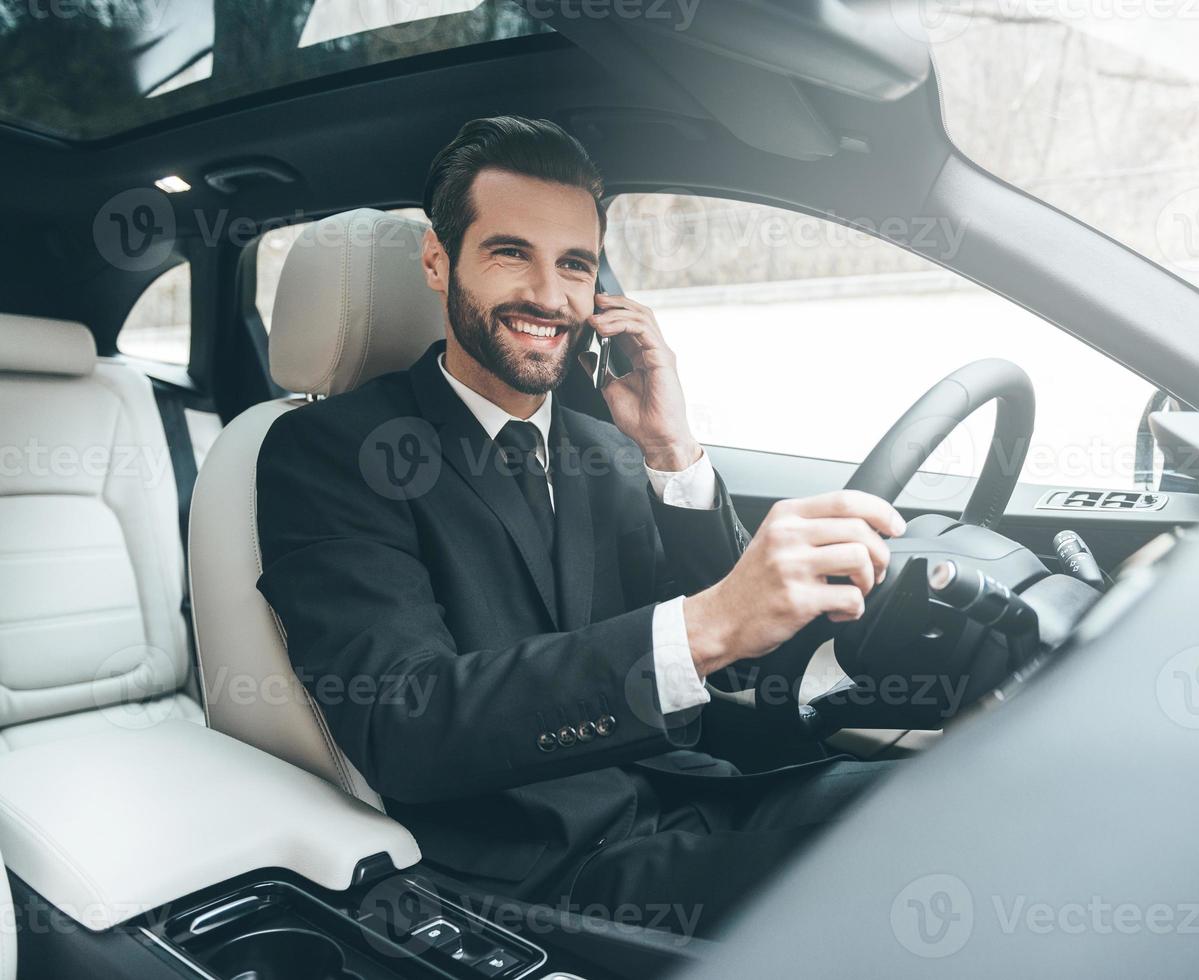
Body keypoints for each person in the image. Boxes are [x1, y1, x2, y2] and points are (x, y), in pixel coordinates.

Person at [256, 116, 904, 935]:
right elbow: (403, 722)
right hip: (542, 868)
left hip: (694, 795)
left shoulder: (605, 444)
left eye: (574, 264)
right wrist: (707, 625)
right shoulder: (332, 452)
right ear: (436, 260)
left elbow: (736, 668)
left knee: (944, 803)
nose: (548, 296)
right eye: (508, 252)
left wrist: (673, 452)